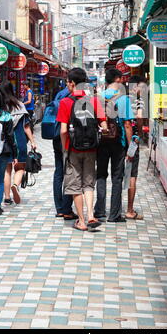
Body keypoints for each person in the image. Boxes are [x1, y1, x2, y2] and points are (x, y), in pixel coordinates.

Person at [56, 68, 108, 231]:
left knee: (75, 185)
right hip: (91, 149)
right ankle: (91, 215)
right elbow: (104, 126)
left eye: (68, 82)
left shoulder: (66, 102)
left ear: (72, 84)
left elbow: (63, 131)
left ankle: (81, 221)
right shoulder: (94, 101)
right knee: (88, 183)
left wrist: (65, 148)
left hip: (72, 149)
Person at [94, 68, 134, 223]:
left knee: (101, 175)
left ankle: (99, 211)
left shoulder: (98, 98)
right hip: (118, 142)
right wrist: (130, 148)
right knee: (117, 178)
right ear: (117, 79)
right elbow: (127, 124)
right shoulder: (123, 99)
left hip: (101, 141)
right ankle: (114, 214)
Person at [0, 82, 36, 205]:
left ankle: (7, 198)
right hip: (19, 140)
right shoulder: (20, 105)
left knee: (6, 170)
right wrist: (32, 141)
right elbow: (26, 127)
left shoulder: (0, 107)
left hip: (4, 142)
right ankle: (15, 185)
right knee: (20, 167)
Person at [52, 85, 77, 220]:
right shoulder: (74, 96)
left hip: (56, 136)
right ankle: (67, 208)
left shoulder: (59, 94)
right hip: (67, 137)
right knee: (70, 171)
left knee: (58, 172)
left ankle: (59, 208)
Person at [125, 75, 148, 220]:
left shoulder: (123, 100)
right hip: (132, 141)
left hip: (120, 141)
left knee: (121, 175)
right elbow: (139, 117)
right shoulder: (139, 101)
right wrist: (139, 133)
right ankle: (129, 209)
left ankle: (115, 207)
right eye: (142, 87)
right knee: (132, 175)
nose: (144, 90)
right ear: (135, 87)